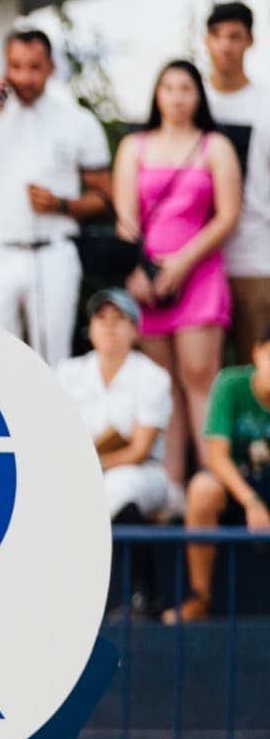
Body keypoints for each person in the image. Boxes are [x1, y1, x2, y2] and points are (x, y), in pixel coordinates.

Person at [0, 27, 113, 367]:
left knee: (51, 360)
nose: (25, 77)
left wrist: (61, 205)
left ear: (51, 67)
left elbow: (105, 197)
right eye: (16, 66)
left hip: (52, 250)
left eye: (34, 67)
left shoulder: (76, 121)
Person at [115, 60, 242, 490]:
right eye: (168, 88)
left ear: (198, 95)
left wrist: (183, 262)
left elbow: (227, 216)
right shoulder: (134, 147)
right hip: (148, 281)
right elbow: (125, 220)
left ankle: (210, 482)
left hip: (199, 273)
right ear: (157, 94)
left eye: (185, 88)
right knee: (162, 385)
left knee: (200, 377)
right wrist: (137, 271)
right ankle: (168, 488)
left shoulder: (214, 147)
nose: (176, 97)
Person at [172, 327, 270, 624]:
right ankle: (200, 597)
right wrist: (251, 501)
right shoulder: (230, 383)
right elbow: (216, 457)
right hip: (237, 488)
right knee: (202, 490)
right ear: (257, 352)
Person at [57, 287, 174, 528]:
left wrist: (92, 466)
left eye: (119, 318)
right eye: (101, 318)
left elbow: (139, 450)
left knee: (117, 487)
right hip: (76, 470)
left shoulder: (153, 377)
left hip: (140, 471)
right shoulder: (67, 372)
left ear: (135, 331)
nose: (109, 326)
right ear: (90, 329)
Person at [200, 3, 270, 357]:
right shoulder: (190, 99)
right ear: (206, 40)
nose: (225, 45)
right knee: (199, 371)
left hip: (252, 254)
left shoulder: (264, 104)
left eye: (234, 37)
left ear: (250, 41)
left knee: (253, 364)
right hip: (193, 258)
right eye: (217, 36)